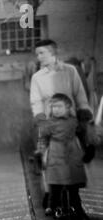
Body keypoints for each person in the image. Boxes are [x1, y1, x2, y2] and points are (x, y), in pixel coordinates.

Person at [30, 39, 93, 207]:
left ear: (53, 52)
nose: (38, 57)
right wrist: (40, 120)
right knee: (48, 159)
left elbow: (79, 95)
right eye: (37, 54)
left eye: (41, 53)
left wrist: (83, 113)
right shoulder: (37, 77)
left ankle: (74, 196)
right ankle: (52, 195)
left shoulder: (70, 71)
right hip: (49, 124)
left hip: (69, 122)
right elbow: (35, 101)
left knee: (72, 158)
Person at [39, 94, 87, 220]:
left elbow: (82, 135)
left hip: (72, 153)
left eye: (59, 106)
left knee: (73, 186)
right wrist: (42, 153)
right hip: (56, 152)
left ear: (68, 107)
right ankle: (53, 206)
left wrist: (85, 148)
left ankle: (77, 207)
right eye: (53, 106)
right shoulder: (48, 124)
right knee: (55, 184)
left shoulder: (74, 122)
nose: (56, 109)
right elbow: (43, 139)